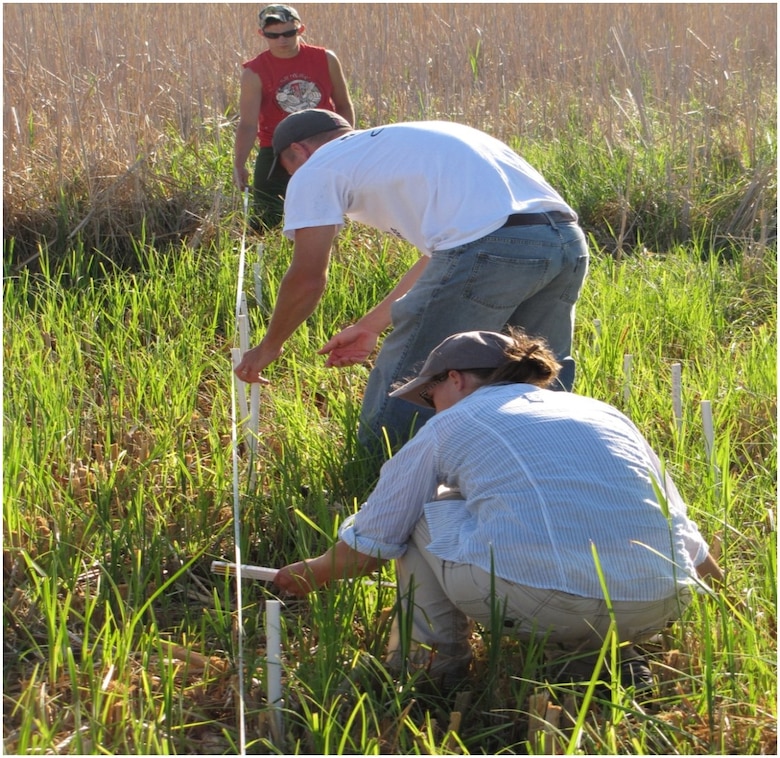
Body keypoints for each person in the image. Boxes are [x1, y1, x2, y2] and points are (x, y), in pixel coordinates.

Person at [273, 329, 723, 691]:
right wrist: (731, 608)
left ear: (454, 379)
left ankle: (426, 670)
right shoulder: (603, 414)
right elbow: (682, 530)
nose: (432, 409)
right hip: (663, 600)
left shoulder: (453, 423)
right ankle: (591, 662)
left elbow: (370, 545)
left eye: (429, 397)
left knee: (424, 512)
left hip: (546, 603)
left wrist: (311, 572)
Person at [234, 109, 590, 458]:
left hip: (489, 244)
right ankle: (547, 463)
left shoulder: (317, 167)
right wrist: (369, 326)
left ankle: (378, 475)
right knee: (535, 368)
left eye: (288, 169)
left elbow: (307, 277)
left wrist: (270, 345)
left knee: (414, 370)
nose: (292, 178)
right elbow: (442, 257)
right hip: (566, 241)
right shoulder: (404, 143)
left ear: (298, 151)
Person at [233, 5, 354, 231]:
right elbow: (248, 124)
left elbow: (344, 105)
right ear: (262, 35)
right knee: (265, 219)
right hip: (277, 148)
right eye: (273, 35)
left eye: (289, 33)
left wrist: (346, 143)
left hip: (324, 146)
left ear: (301, 29)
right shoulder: (254, 72)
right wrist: (239, 164)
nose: (282, 40)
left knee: (328, 214)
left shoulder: (325, 59)